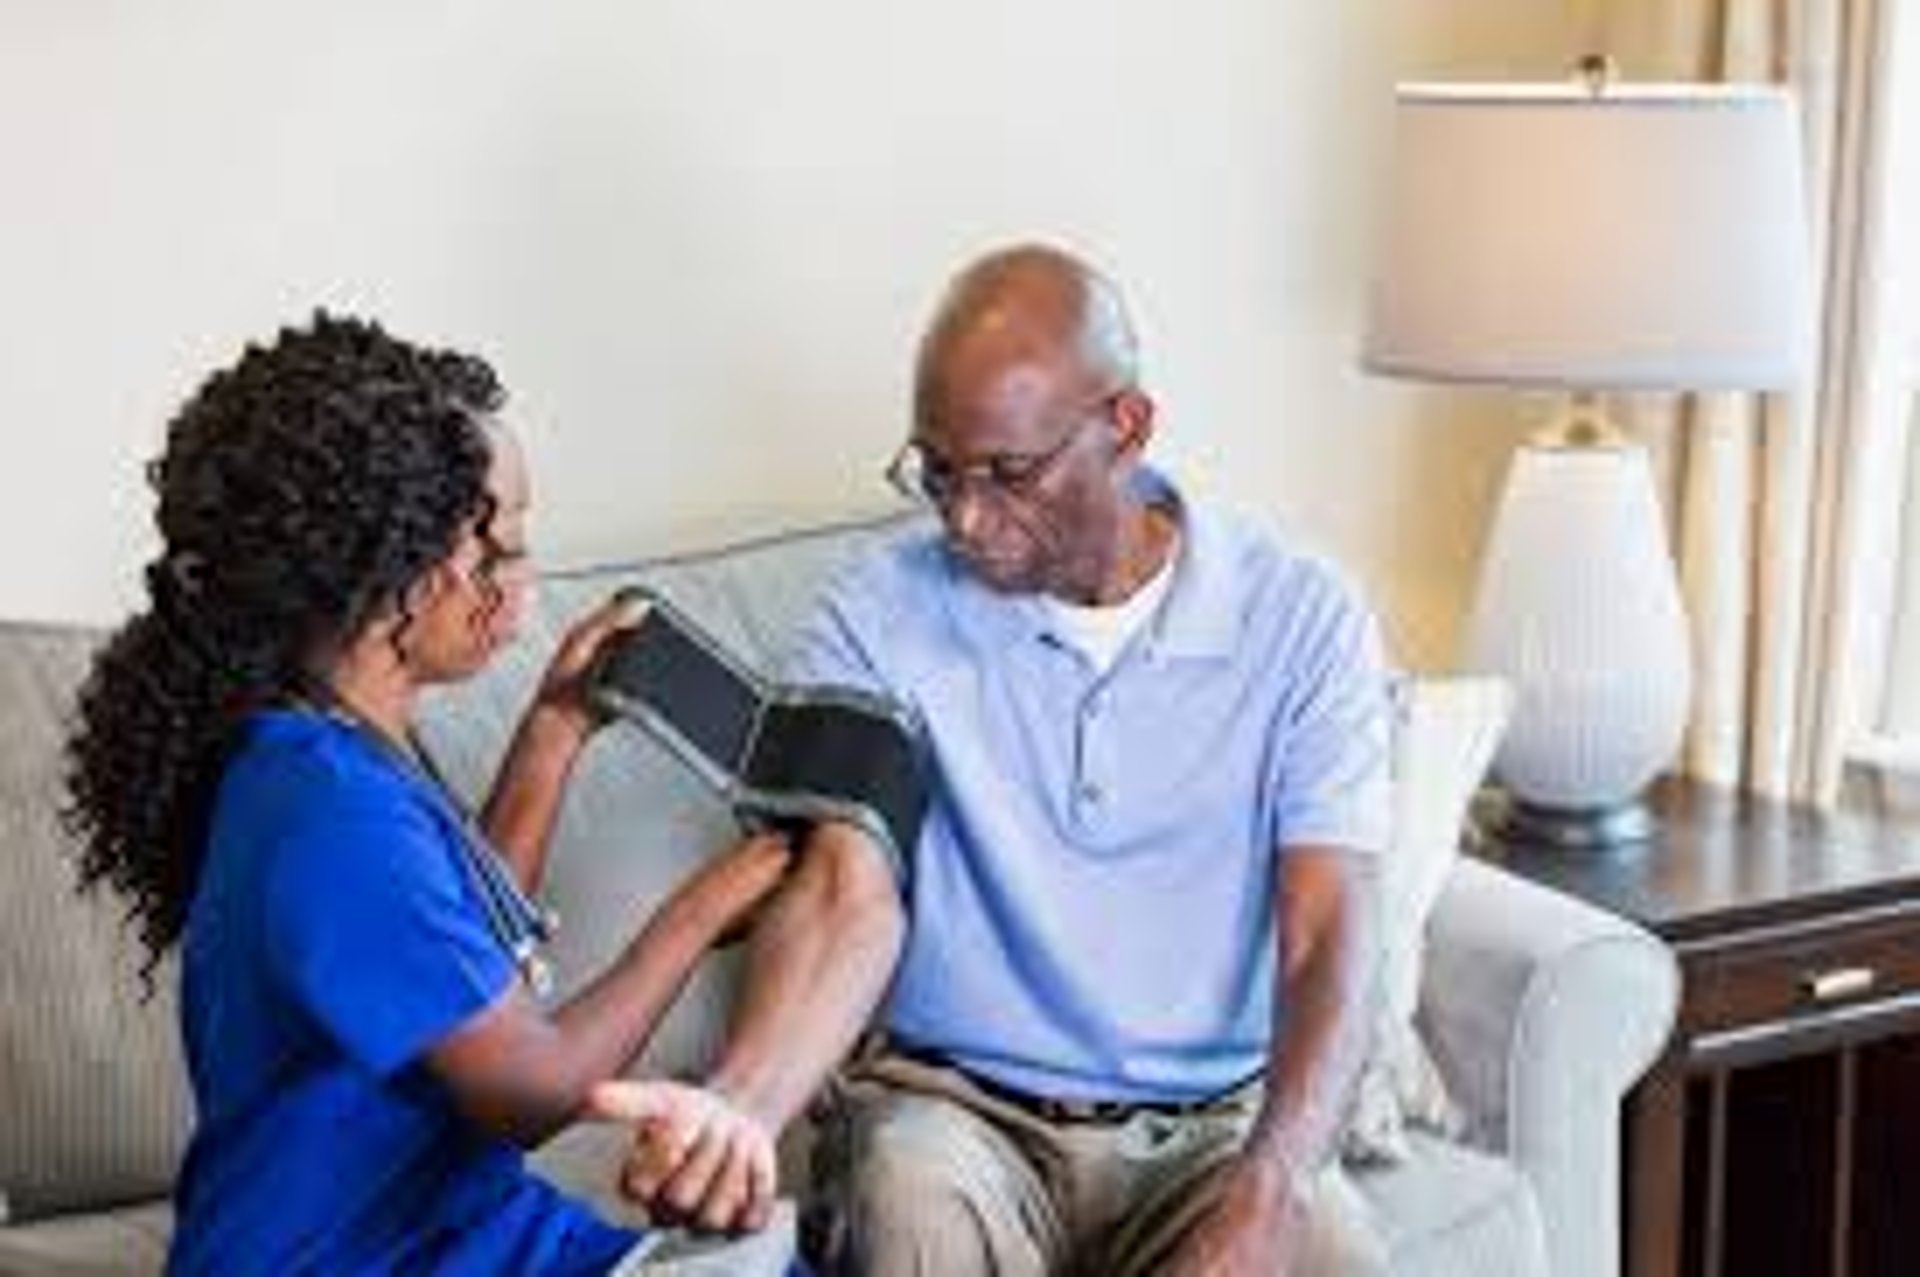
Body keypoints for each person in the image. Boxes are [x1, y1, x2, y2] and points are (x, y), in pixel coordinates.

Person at [608, 244, 1391, 1275]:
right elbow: (846, 888)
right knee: (905, 1197)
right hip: (957, 1116)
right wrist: (744, 1105)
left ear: (1126, 425)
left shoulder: (1301, 616)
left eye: (1009, 474)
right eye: (938, 471)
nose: (967, 519)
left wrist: (1275, 1180)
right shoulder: (876, 612)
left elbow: (1328, 926)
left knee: (1334, 1254)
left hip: (1209, 1130)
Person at [63, 314, 795, 1275]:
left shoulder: (335, 745)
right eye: (503, 549)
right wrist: (696, 914)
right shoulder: (326, 810)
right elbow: (527, 1091)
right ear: (403, 568)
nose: (523, 586)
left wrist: (554, 729)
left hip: (463, 1227)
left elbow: (462, 951)